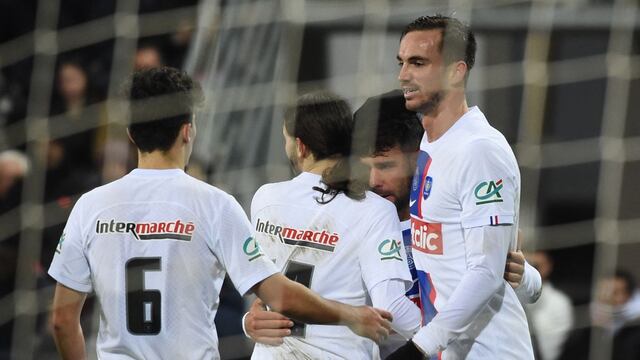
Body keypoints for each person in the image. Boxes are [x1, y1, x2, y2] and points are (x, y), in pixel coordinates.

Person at [47, 67, 393, 360]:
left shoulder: (90, 206)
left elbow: (63, 319)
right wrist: (351, 315)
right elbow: (280, 296)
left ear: (131, 134)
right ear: (188, 131)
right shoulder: (214, 204)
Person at [243, 90, 542, 356]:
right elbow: (301, 294)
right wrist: (253, 322)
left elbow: (522, 294)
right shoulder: (354, 219)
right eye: (365, 167)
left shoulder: (453, 221)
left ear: (417, 160)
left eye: (386, 166)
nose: (374, 181)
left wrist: (524, 276)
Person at [387, 15, 534, 358]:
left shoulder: (479, 149)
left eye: (418, 63)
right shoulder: (431, 142)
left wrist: (419, 347)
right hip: (449, 349)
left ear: (456, 71)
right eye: (402, 62)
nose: (403, 75)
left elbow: (485, 271)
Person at [248, 91, 420, 359]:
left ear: (301, 146)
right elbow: (393, 309)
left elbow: (267, 294)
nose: (375, 179)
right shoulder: (374, 211)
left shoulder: (265, 199)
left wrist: (249, 321)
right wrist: (446, 333)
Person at [525, 251, 573, 360]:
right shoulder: (509, 297)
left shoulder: (560, 302)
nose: (532, 270)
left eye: (536, 266)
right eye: (528, 265)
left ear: (548, 267)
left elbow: (550, 350)